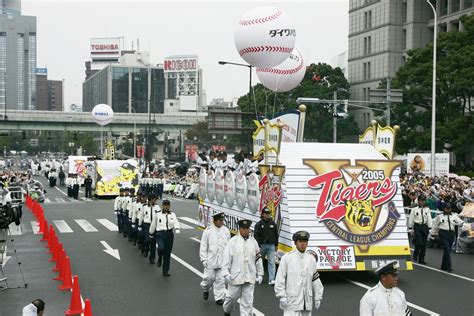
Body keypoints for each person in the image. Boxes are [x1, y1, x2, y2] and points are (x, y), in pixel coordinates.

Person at [274, 231, 324, 316]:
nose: (302, 244)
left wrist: (318, 297)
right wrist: (281, 295)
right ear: (295, 243)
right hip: (292, 302)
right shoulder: (287, 258)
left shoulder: (311, 259)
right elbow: (280, 278)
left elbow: (315, 280)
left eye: (304, 241)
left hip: (307, 303)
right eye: (300, 241)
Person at [222, 219, 264, 316]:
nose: (246, 230)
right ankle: (227, 311)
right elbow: (226, 259)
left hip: (249, 276)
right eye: (243, 228)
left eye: (247, 228)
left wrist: (260, 273)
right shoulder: (232, 242)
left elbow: (258, 259)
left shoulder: (253, 242)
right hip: (235, 277)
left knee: (247, 303)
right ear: (239, 229)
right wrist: (226, 273)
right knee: (231, 299)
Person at [199, 212, 231, 305]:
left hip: (222, 261)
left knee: (220, 280)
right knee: (209, 279)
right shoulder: (208, 231)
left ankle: (219, 298)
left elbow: (229, 247)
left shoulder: (226, 231)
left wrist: (228, 260)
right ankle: (206, 289)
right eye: (220, 220)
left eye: (222, 220)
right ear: (215, 220)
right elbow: (203, 246)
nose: (222, 222)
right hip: (211, 260)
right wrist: (204, 259)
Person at [431, 202, 466, 272]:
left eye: (449, 208)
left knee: (447, 251)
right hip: (443, 233)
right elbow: (435, 225)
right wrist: (433, 234)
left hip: (451, 234)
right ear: (444, 209)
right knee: (447, 249)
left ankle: (443, 266)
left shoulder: (454, 216)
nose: (448, 210)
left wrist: (464, 224)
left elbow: (459, 221)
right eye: (447, 208)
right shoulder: (440, 216)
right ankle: (448, 266)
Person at [149, 199, 180, 276]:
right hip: (160, 234)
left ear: (169, 206)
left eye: (167, 205)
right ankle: (160, 258)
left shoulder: (173, 214)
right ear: (162, 206)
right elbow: (153, 224)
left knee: (167, 253)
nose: (166, 206)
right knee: (161, 248)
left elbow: (176, 222)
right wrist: (151, 233)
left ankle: (165, 270)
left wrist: (177, 228)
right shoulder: (157, 214)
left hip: (169, 234)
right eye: (165, 205)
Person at [254, 207, 279, 285]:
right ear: (262, 214)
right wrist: (257, 245)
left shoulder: (273, 224)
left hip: (271, 245)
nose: (267, 215)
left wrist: (276, 245)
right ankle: (258, 275)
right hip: (262, 245)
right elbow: (256, 235)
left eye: (268, 214)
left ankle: (272, 279)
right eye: (266, 214)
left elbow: (276, 235)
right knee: (259, 261)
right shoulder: (259, 224)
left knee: (271, 262)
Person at [408, 195, 432, 264]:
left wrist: (430, 227)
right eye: (421, 200)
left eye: (423, 201)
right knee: (419, 242)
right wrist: (410, 227)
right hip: (417, 226)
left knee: (424, 244)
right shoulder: (414, 209)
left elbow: (429, 218)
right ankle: (416, 253)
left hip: (424, 226)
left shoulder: (427, 209)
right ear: (418, 201)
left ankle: (421, 259)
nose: (422, 202)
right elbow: (411, 219)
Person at [139, 194, 160, 260]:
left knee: (153, 243)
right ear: (151, 199)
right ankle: (146, 248)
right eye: (154, 199)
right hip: (146, 225)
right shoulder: (144, 207)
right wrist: (139, 225)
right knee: (147, 240)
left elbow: (160, 217)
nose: (155, 200)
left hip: (154, 226)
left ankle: (152, 258)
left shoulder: (157, 207)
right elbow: (141, 216)